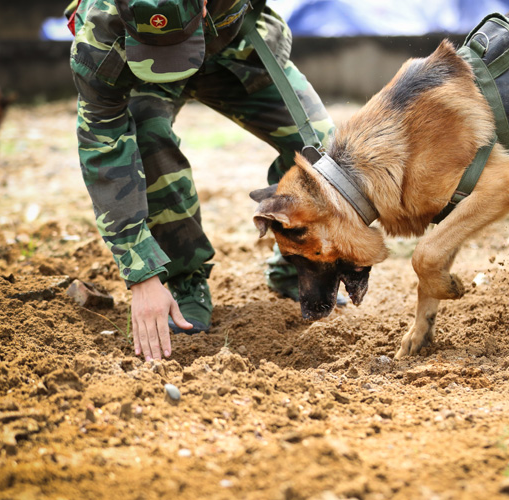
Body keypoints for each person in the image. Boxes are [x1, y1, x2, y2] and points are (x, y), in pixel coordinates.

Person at [68, 0, 336, 362]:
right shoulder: (99, 36)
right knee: (149, 139)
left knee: (321, 153)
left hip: (229, 51)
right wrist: (142, 275)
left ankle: (298, 257)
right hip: (137, 65)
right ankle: (184, 282)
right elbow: (104, 149)